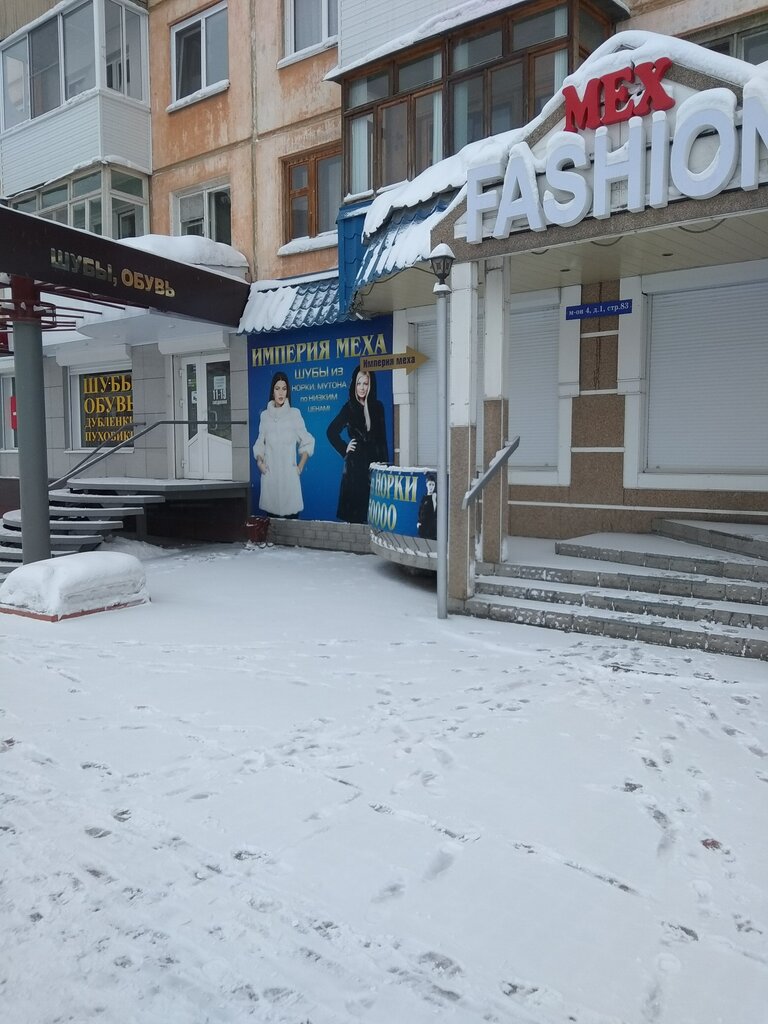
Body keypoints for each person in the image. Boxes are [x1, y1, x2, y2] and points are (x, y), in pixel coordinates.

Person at [326, 366, 388, 523]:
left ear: (370, 385)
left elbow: (382, 440)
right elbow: (331, 432)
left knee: (373, 514)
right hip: (354, 469)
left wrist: (384, 468)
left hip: (373, 466)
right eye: (359, 383)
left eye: (365, 383)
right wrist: (344, 449)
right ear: (354, 384)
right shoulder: (349, 408)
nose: (361, 387)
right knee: (355, 516)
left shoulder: (377, 407)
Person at [252, 371, 314, 517]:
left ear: (288, 392)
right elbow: (260, 443)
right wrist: (260, 463)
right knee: (272, 526)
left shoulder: (294, 414)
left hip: (289, 484)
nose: (281, 393)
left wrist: (299, 468)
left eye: (284, 389)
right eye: (277, 388)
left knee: (291, 526)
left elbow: (308, 441)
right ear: (272, 391)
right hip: (271, 481)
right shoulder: (265, 416)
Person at [417, 472, 437, 540]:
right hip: (423, 530)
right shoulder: (424, 497)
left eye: (433, 485)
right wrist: (419, 522)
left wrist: (434, 500)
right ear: (426, 485)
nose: (431, 487)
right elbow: (420, 511)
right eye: (430, 484)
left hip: (431, 532)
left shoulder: (436, 498)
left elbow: (435, 513)